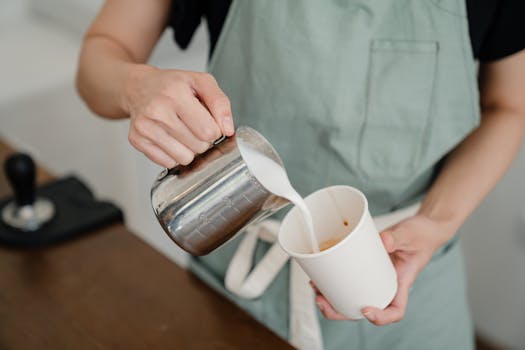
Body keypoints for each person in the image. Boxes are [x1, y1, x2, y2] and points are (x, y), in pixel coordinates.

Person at [77, 1, 525, 349]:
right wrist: (135, 87)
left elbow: (510, 105)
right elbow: (99, 57)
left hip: (408, 271)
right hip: (240, 280)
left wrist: (436, 223)